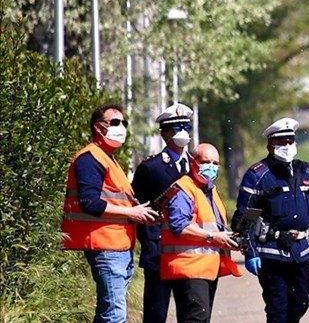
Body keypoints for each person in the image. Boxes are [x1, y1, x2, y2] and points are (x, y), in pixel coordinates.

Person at [62, 102, 159, 323]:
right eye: (115, 122)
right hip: (105, 246)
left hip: (117, 246)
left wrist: (139, 213)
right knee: (114, 315)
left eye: (124, 123)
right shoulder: (90, 158)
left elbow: (116, 203)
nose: (121, 127)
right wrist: (132, 213)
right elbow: (90, 203)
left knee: (108, 312)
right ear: (98, 127)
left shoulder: (108, 160)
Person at [233, 117, 309, 323]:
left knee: (300, 303)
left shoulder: (305, 171)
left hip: (300, 252)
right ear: (269, 146)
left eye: (290, 141)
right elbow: (245, 218)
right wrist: (250, 252)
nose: (287, 146)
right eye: (281, 142)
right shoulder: (258, 175)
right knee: (277, 309)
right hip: (272, 252)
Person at [160, 143, 242, 323]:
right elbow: (180, 226)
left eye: (215, 163)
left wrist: (227, 239)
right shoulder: (183, 189)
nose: (211, 167)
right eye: (205, 162)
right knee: (196, 318)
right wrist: (213, 237)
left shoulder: (209, 190)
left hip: (206, 269)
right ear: (192, 162)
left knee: (201, 318)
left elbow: (213, 226)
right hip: (188, 268)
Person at [132, 103, 194, 323]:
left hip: (188, 250)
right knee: (156, 313)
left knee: (190, 312)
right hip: (159, 251)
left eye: (186, 127)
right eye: (177, 128)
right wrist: (149, 242)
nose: (183, 132)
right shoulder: (151, 167)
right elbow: (138, 206)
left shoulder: (197, 165)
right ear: (164, 133)